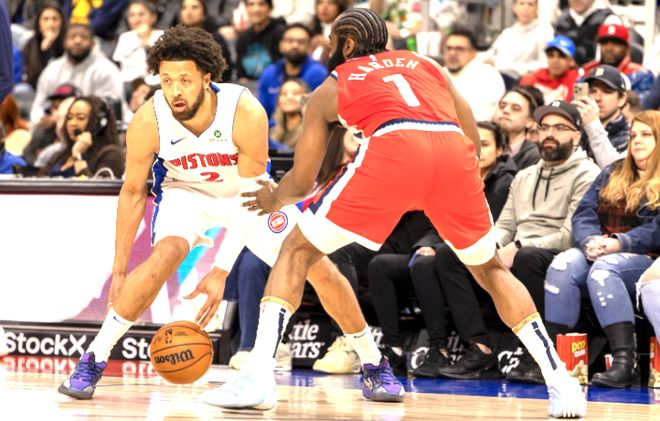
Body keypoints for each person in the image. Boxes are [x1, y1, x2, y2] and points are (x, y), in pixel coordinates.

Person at [217, 9, 587, 418]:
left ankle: (259, 375)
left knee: (296, 250)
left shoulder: (334, 83)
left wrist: (274, 199)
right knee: (491, 269)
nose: (328, 50)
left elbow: (302, 181)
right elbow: (468, 130)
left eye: (333, 43)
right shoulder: (425, 64)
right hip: (452, 153)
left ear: (348, 45)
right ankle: (561, 382)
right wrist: (444, 181)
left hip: (392, 150)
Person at [57, 25, 402, 404]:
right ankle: (93, 358)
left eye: (185, 80)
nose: (175, 90)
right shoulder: (148, 119)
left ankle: (373, 362)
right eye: (167, 80)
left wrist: (221, 270)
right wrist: (120, 270)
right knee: (165, 255)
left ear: (207, 78)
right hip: (185, 192)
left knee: (316, 266)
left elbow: (248, 200)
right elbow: (133, 193)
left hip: (249, 194)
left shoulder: (244, 110)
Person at [544, 109, 660, 388]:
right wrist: (590, 241)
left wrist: (619, 243)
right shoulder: (613, 170)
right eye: (633, 135)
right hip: (602, 248)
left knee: (604, 270)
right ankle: (555, 361)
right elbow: (584, 213)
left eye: (646, 135)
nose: (637, 141)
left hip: (646, 258)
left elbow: (656, 230)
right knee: (563, 265)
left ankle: (624, 362)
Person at [412, 121, 518, 379]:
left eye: (485, 144)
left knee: (445, 255)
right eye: (471, 144)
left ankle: (479, 345)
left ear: (500, 150)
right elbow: (437, 219)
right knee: (416, 263)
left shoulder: (504, 181)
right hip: (452, 244)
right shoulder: (455, 176)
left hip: (486, 246)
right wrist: (428, 245)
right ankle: (437, 348)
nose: (477, 150)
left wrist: (442, 245)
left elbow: (487, 226)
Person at [29, 24, 124, 125]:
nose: (77, 41)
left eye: (84, 37)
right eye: (72, 37)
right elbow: (38, 106)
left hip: (96, 126)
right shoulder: (52, 69)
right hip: (55, 126)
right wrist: (43, 119)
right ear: (64, 42)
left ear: (93, 43)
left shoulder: (106, 69)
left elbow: (113, 108)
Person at [38, 96, 124, 179]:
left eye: (80, 118)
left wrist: (77, 156)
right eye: (69, 117)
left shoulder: (112, 154)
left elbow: (96, 188)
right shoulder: (60, 154)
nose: (72, 123)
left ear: (99, 124)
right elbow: (38, 182)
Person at [257, 23, 327, 120]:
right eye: (290, 41)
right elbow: (262, 113)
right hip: (273, 127)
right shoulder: (269, 73)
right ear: (280, 45)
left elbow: (318, 115)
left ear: (309, 47)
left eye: (301, 42)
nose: (295, 45)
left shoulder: (319, 74)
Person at [482, 0, 553, 87]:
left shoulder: (544, 31)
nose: (526, 8)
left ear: (536, 8)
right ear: (514, 7)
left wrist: (503, 66)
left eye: (530, 4)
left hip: (521, 83)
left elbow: (545, 65)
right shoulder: (508, 32)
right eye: (521, 4)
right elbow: (491, 53)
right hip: (496, 77)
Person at [580, 23, 654, 104]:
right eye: (604, 43)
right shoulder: (587, 71)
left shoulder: (641, 74)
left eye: (616, 43)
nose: (609, 49)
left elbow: (640, 106)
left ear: (627, 48)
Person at [443, 26, 505, 121]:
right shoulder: (438, 73)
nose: (452, 53)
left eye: (459, 49)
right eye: (449, 48)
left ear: (473, 52)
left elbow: (481, 116)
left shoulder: (487, 75)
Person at [520, 35, 579, 105]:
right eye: (551, 55)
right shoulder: (531, 79)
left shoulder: (577, 81)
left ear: (572, 61)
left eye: (561, 56)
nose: (555, 61)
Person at [492, 87, 541, 170]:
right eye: (502, 106)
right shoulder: (481, 145)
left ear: (529, 122)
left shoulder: (535, 157)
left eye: (515, 108)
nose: (506, 110)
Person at [20, 0, 66, 89]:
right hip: (36, 88)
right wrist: (44, 50)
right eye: (46, 19)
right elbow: (30, 76)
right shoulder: (31, 44)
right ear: (39, 22)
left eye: (55, 19)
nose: (50, 24)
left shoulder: (68, 42)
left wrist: (52, 47)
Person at [269, 78, 309, 149]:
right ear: (278, 101)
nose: (289, 97)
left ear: (306, 98)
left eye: (296, 93)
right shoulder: (270, 129)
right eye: (284, 94)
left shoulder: (311, 131)